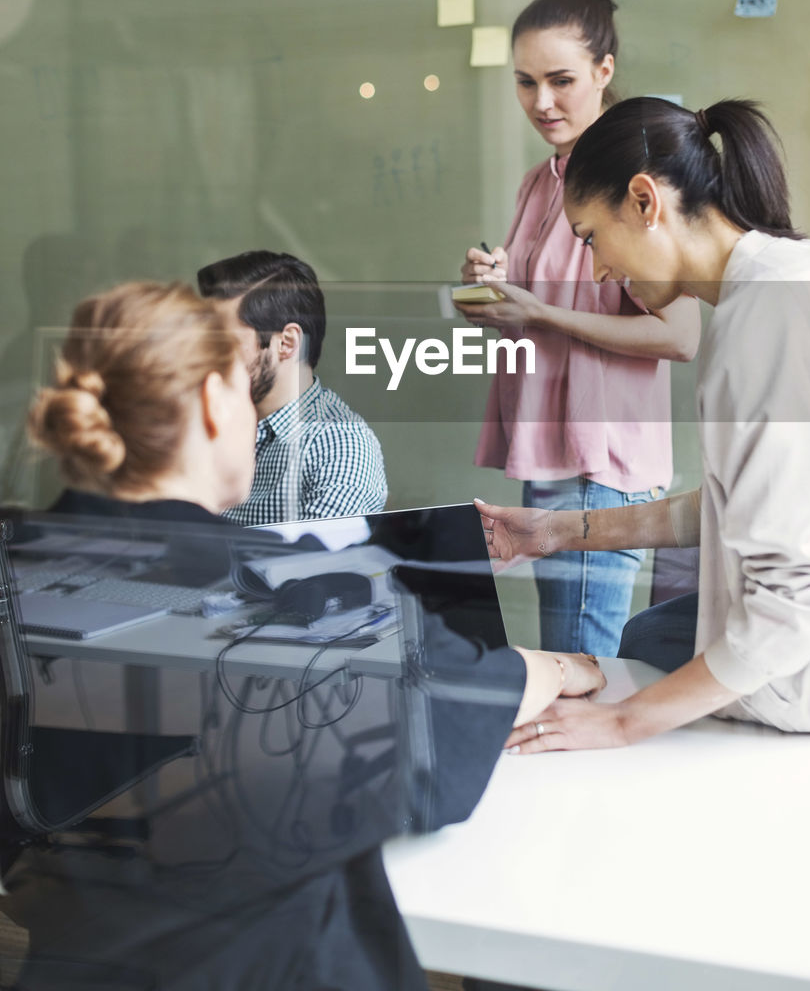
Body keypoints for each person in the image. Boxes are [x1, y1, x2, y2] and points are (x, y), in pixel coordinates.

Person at [3, 279, 604, 990]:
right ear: (209, 402)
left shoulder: (21, 567)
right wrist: (566, 669)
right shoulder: (288, 591)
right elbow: (462, 701)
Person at [479, 95, 810, 750]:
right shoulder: (809, 270)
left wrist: (624, 722)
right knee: (650, 634)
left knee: (646, 648)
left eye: (592, 237)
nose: (596, 268)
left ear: (645, 201)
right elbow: (735, 506)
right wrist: (553, 531)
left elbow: (796, 602)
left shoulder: (760, 326)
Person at [456, 0, 700, 655]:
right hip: (548, 458)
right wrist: (487, 287)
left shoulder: (638, 182)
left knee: (578, 674)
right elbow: (536, 305)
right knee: (567, 665)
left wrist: (539, 315)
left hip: (601, 469)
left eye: (560, 80)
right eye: (524, 81)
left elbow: (678, 336)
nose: (540, 100)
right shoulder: (541, 178)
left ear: (604, 70)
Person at [197, 249, 388, 525]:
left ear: (286, 343)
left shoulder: (340, 446)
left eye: (223, 343)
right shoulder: (205, 421)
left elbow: (319, 565)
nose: (206, 356)